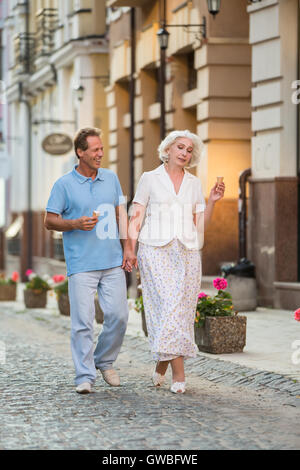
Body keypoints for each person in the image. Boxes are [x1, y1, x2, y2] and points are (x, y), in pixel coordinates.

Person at [127, 130, 225, 394]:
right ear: (168, 149)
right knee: (168, 305)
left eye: (189, 150)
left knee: (181, 310)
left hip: (188, 252)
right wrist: (130, 249)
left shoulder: (194, 183)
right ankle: (179, 375)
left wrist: (212, 202)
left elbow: (200, 225)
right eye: (180, 147)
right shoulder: (149, 178)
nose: (184, 153)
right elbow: (136, 216)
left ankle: (162, 361)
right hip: (155, 249)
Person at [45, 128, 133, 394]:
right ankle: (84, 376)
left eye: (102, 149)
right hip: (81, 264)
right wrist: (74, 223)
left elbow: (121, 215)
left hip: (112, 262)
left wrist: (128, 247)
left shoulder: (111, 179)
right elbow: (49, 220)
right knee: (83, 322)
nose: (100, 154)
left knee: (119, 315)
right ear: (80, 152)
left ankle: (103, 360)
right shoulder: (63, 184)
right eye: (95, 150)